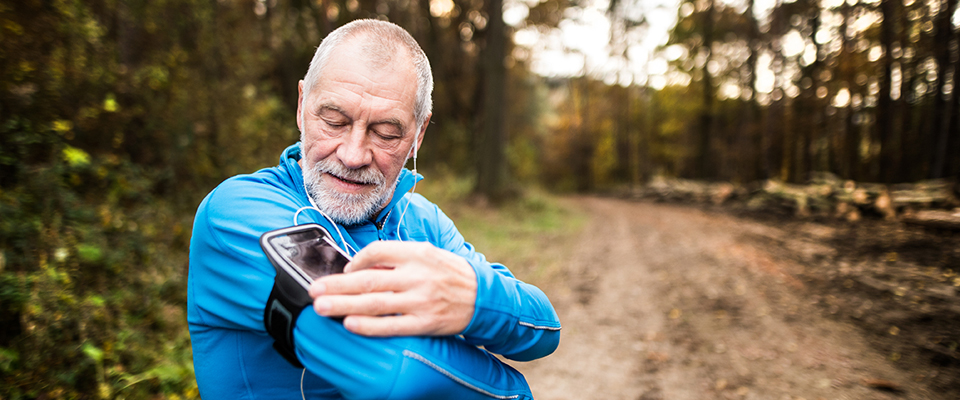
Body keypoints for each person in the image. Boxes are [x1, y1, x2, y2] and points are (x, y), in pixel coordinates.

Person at [187, 19, 560, 399]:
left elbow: (543, 328)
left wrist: (476, 298)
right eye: (334, 121)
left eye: (386, 133)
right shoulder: (239, 213)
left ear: (419, 135)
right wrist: (515, 390)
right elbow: (397, 370)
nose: (352, 155)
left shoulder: (423, 220)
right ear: (302, 106)